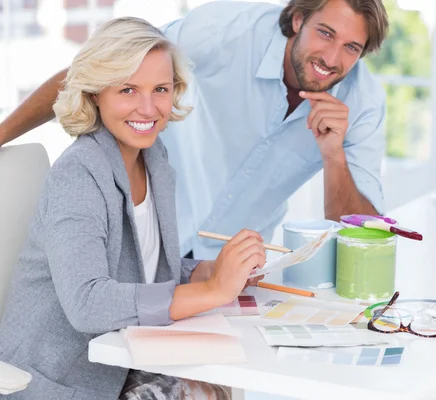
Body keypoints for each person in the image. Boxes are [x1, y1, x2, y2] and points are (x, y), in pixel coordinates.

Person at [0, 0, 390, 260]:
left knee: (204, 383)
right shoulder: (226, 31)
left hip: (228, 264)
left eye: (352, 47)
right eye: (325, 33)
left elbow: (363, 234)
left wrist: (333, 155)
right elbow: (96, 70)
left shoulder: (363, 103)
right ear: (299, 20)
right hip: (142, 235)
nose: (332, 58)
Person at [0, 17, 265, 399]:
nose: (148, 108)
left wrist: (210, 271)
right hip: (58, 381)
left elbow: (140, 269)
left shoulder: (154, 158)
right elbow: (88, 303)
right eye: (127, 89)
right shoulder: (79, 173)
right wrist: (210, 291)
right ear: (95, 94)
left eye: (160, 88)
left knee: (219, 385)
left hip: (121, 359)